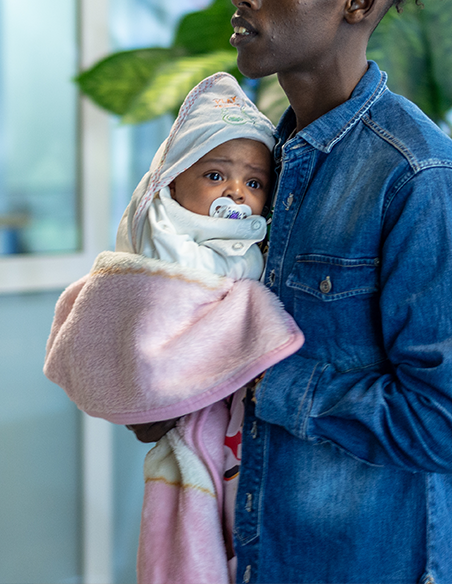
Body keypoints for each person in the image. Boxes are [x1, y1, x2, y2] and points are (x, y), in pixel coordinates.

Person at [222, 0, 452, 584]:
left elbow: (443, 426)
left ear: (358, 1)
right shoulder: (258, 162)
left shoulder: (419, 178)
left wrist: (258, 379)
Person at [46, 72, 303, 583]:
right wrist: (242, 311)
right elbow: (159, 314)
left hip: (235, 426)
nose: (235, 191)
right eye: (214, 175)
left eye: (254, 183)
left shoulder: (255, 241)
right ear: (172, 181)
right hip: (194, 420)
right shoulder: (169, 235)